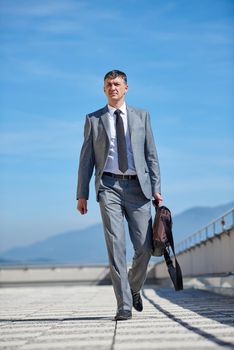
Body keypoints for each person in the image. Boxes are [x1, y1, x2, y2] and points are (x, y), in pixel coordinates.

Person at [76, 70, 162, 321]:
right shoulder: (93, 119)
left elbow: (151, 155)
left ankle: (133, 288)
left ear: (126, 88)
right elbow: (86, 161)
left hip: (139, 188)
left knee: (145, 248)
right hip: (109, 187)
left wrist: (156, 188)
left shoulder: (142, 116)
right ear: (103, 90)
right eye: (108, 85)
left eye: (117, 84)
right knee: (116, 247)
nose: (112, 87)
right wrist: (82, 194)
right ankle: (123, 305)